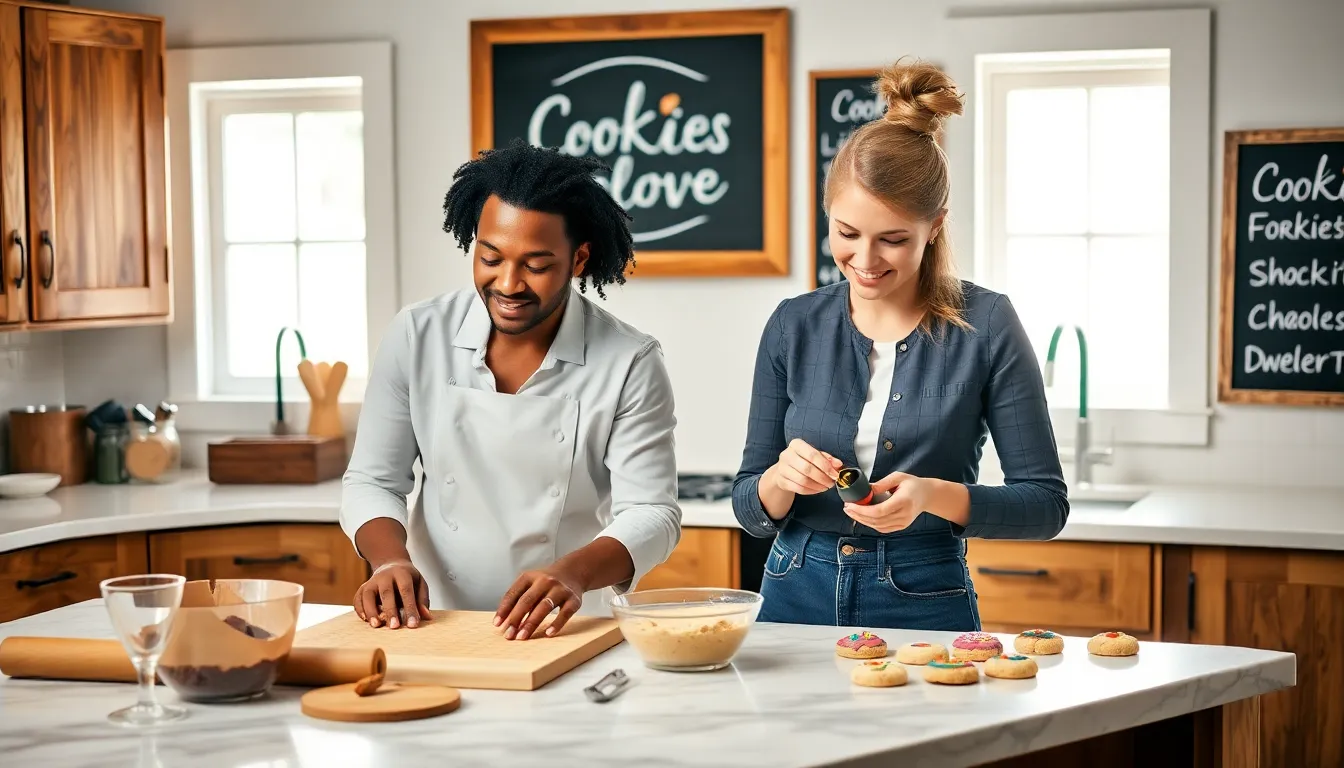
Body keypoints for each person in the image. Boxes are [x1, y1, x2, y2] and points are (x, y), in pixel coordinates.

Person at [732, 60, 1068, 630]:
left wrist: (933, 495)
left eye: (892, 240)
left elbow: (1044, 506)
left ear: (934, 226)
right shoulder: (793, 324)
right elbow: (749, 507)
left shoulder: (986, 323)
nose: (864, 261)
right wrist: (776, 481)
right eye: (846, 234)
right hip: (792, 591)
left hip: (923, 594)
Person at [341, 140, 681, 640]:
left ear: (579, 259)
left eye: (537, 265)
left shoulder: (628, 360)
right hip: (431, 621)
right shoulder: (419, 334)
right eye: (490, 256)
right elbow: (373, 480)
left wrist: (575, 572)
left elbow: (653, 512)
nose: (508, 284)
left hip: (562, 626)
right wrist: (389, 560)